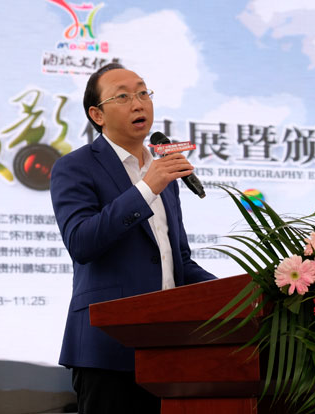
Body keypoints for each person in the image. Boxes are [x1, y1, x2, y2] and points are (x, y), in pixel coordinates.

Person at [50, 63, 217, 414]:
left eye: (143, 93)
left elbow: (178, 261)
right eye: (123, 97)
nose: (138, 103)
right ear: (97, 115)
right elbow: (81, 242)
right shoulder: (75, 167)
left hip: (171, 348)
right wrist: (146, 188)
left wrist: (237, 293)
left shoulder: (162, 171)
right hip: (107, 349)